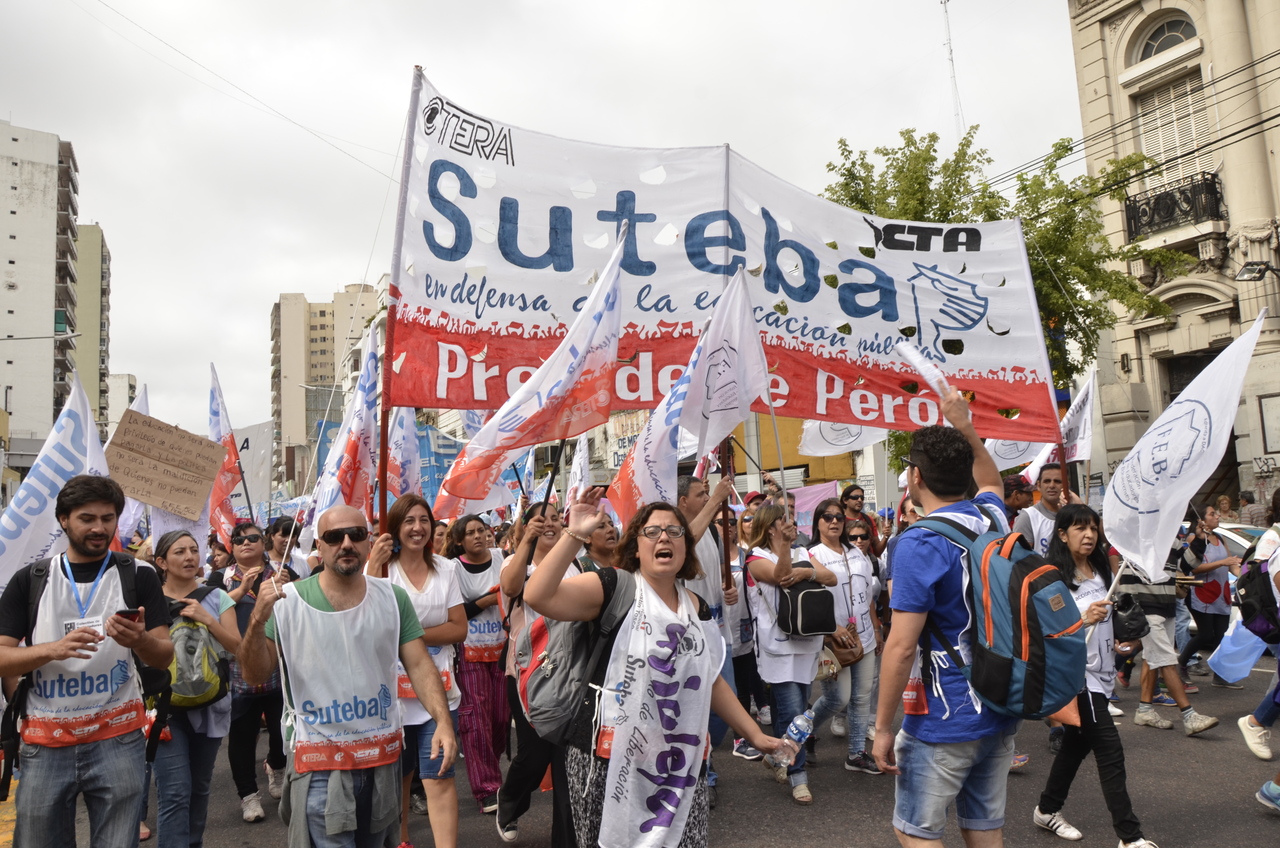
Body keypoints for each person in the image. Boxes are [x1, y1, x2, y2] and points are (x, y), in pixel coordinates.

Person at [523, 489, 780, 848]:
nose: (664, 538)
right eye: (652, 531)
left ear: (686, 547)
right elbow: (537, 596)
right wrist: (575, 533)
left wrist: (755, 735)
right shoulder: (613, 587)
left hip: (680, 763)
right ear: (635, 546)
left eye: (675, 531)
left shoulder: (696, 607)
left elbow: (709, 679)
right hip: (608, 760)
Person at [237, 504, 458, 848]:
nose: (346, 544)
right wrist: (257, 619)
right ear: (319, 546)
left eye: (355, 535)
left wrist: (443, 721)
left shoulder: (392, 598)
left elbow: (419, 665)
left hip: (381, 760)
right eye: (333, 537)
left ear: (369, 541)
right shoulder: (288, 601)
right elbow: (254, 675)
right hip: (319, 765)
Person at [872, 388, 1019, 846]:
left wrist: (882, 727)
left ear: (915, 476)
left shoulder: (919, 542)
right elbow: (992, 481)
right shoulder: (992, 519)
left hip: (944, 715)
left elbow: (901, 646)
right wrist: (966, 426)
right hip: (1000, 700)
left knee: (914, 831)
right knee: (983, 827)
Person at [0, 475, 174, 848]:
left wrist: (140, 640)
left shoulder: (138, 575)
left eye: (108, 518)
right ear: (63, 519)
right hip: (46, 742)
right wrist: (51, 650)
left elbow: (163, 656)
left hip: (118, 739)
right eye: (87, 518)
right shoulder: (31, 580)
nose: (99, 528)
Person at [1031, 505, 1154, 847]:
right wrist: (1084, 618)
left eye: (1093, 529)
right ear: (1062, 534)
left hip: (1103, 673)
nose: (1088, 535)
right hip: (1075, 676)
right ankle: (1130, 837)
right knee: (1110, 750)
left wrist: (1122, 640)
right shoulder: (1052, 577)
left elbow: (1107, 618)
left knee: (1075, 745)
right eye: (1079, 528)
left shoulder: (1101, 570)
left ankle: (1046, 809)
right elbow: (1046, 629)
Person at [367, 495, 467, 848]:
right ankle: (402, 840)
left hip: (437, 694)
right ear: (395, 528)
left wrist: (410, 636)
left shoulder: (446, 569)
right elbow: (366, 622)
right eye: (409, 520)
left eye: (424, 520)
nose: (417, 528)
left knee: (439, 776)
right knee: (399, 779)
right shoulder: (382, 571)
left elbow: (458, 628)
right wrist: (372, 567)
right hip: (391, 698)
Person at [151, 530, 241, 848]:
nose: (189, 557)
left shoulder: (217, 597)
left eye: (193, 549)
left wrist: (208, 619)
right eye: (179, 552)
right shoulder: (149, 601)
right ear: (161, 562)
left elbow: (237, 648)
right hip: (164, 709)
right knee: (174, 792)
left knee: (200, 788)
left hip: (210, 704)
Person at [495, 505, 576, 845]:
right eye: (542, 519)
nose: (550, 524)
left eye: (556, 518)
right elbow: (511, 587)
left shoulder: (574, 564)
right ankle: (509, 801)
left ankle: (566, 837)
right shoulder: (516, 564)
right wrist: (525, 541)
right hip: (528, 672)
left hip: (570, 670)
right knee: (535, 753)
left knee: (565, 756)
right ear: (528, 526)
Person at [745, 502, 836, 805]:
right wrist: (786, 548)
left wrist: (806, 571)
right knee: (793, 711)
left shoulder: (802, 552)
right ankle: (798, 775)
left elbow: (830, 578)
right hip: (777, 645)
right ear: (770, 526)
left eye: (793, 520)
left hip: (807, 641)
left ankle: (777, 757)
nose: (793, 525)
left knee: (797, 708)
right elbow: (781, 575)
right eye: (785, 521)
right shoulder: (756, 557)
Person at [207, 522, 297, 821]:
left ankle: (276, 766)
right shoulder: (220, 578)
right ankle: (248, 795)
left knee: (281, 730)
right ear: (231, 547)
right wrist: (242, 590)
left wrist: (290, 589)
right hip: (238, 669)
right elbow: (209, 613)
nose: (245, 543)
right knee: (243, 735)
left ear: (264, 542)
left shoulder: (282, 572)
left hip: (277, 665)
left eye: (253, 538)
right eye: (238, 540)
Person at [806, 498, 882, 774]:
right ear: (817, 522)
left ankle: (856, 754)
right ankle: (805, 732)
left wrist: (876, 628)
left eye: (839, 517)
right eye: (827, 517)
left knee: (862, 697)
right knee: (838, 699)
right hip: (832, 640)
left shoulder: (857, 553)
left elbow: (867, 595)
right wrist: (831, 629)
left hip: (864, 636)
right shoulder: (810, 554)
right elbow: (809, 602)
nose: (834, 521)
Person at [675, 475, 737, 800]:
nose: (707, 497)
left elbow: (719, 573)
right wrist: (716, 500)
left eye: (707, 493)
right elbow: (685, 546)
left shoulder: (713, 530)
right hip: (689, 636)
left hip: (717, 630)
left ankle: (699, 757)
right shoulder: (674, 533)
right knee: (696, 705)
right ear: (683, 501)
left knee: (726, 706)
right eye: (701, 494)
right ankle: (704, 773)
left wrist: (729, 590)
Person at [444, 514, 509, 814]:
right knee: (476, 721)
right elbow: (456, 613)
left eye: (481, 530)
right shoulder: (452, 569)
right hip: (469, 654)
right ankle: (487, 788)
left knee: (500, 719)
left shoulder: (502, 559)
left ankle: (489, 767)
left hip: (502, 651)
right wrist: (485, 602)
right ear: (459, 541)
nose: (478, 536)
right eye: (470, 533)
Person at [1177, 504, 1243, 689]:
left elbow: (1231, 564)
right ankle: (1181, 664)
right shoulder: (1194, 539)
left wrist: (1242, 575)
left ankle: (1220, 675)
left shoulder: (1220, 538)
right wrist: (1222, 562)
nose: (1217, 516)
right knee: (1205, 633)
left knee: (1221, 635)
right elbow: (1194, 568)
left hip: (1220, 592)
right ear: (1201, 520)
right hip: (1201, 592)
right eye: (1212, 514)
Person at [1012, 463, 1070, 555]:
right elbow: (1020, 557)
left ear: (1067, 485)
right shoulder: (1028, 517)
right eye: (1047, 481)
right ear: (1039, 485)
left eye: (1057, 481)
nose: (1052, 485)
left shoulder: (1073, 516)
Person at [841, 484, 885, 555]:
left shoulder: (868, 519)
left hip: (868, 561)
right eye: (855, 497)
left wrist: (886, 537)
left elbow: (877, 551)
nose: (859, 500)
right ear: (845, 500)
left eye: (862, 498)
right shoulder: (839, 521)